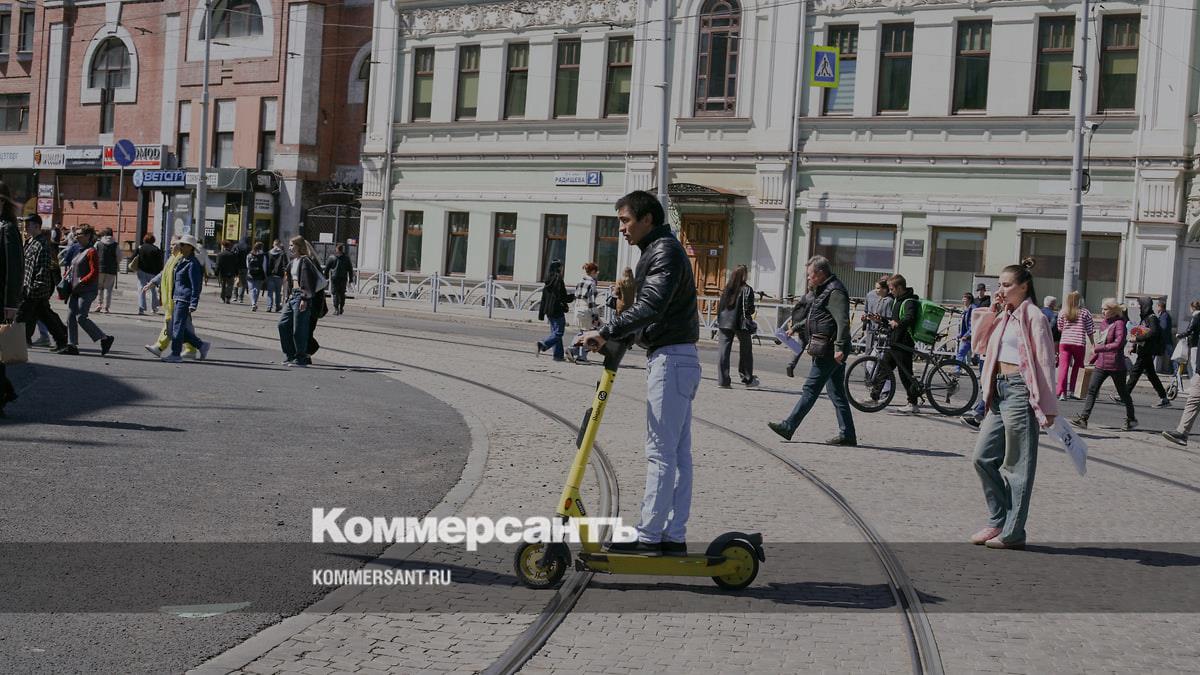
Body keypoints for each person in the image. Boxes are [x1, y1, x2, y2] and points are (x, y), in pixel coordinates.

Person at [575, 190, 700, 557]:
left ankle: (649, 536)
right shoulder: (660, 250)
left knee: (662, 452)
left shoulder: (662, 251)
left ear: (647, 219)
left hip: (672, 359)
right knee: (677, 453)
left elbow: (652, 306)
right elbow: (653, 309)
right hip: (678, 358)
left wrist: (607, 331)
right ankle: (672, 535)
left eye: (626, 220)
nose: (621, 229)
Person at [967, 258, 1057, 549]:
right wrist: (992, 309)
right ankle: (998, 520)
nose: (1001, 290)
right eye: (999, 285)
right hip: (998, 390)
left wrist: (1048, 406)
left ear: (1024, 286)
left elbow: (1045, 362)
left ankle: (1014, 531)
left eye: (1006, 285)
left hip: (1020, 391)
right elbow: (979, 343)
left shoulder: (1034, 317)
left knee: (1018, 464)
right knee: (982, 458)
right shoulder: (1005, 314)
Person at [767, 255, 857, 446]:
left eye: (810, 275)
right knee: (837, 392)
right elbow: (816, 316)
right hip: (828, 347)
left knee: (810, 389)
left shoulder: (835, 292)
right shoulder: (824, 290)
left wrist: (840, 347)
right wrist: (796, 327)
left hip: (830, 348)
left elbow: (842, 321)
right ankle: (848, 434)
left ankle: (788, 426)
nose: (808, 278)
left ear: (820, 273)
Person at [1071, 298, 1137, 431]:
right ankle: (1084, 419)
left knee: (1123, 393)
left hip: (1116, 365)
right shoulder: (1104, 323)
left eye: (1105, 309)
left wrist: (1098, 350)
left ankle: (1131, 419)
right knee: (1092, 390)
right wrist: (1092, 358)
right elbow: (1100, 343)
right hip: (1101, 363)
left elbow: (1118, 344)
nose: (1102, 311)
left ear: (1113, 310)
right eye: (1102, 309)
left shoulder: (1119, 324)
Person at [16, 215, 67, 351]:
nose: (25, 227)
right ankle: (62, 341)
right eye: (25, 224)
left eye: (28, 224)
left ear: (37, 226)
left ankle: (17, 345)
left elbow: (43, 269)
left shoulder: (42, 245)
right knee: (46, 317)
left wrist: (33, 288)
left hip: (35, 290)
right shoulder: (30, 241)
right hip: (29, 287)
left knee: (21, 317)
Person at [142, 237, 199, 359]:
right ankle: (192, 348)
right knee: (179, 325)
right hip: (172, 298)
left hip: (179, 299)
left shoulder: (183, 260)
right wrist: (153, 282)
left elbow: (195, 284)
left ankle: (163, 348)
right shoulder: (172, 258)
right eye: (171, 244)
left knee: (175, 325)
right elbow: (164, 273)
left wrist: (192, 303)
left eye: (174, 244)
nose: (171, 247)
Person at [871, 274, 921, 414]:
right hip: (894, 342)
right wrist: (881, 320)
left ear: (899, 288)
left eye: (892, 289)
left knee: (905, 374)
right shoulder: (897, 300)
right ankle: (874, 397)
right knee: (883, 369)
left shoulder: (910, 301)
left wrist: (898, 323)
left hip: (904, 342)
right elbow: (893, 321)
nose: (890, 291)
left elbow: (909, 318)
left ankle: (913, 404)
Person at [62, 224, 114, 356]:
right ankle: (71, 345)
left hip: (87, 290)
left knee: (81, 317)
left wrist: (81, 281)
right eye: (76, 234)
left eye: (79, 234)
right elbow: (72, 266)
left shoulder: (91, 251)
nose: (76, 236)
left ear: (87, 236)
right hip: (75, 289)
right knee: (70, 316)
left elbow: (94, 272)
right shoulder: (78, 249)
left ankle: (105, 338)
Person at [163, 234, 211, 363]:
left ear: (190, 247)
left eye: (182, 245)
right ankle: (201, 345)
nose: (180, 246)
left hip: (185, 298)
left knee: (177, 327)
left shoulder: (192, 263)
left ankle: (176, 354)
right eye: (180, 244)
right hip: (177, 297)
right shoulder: (182, 260)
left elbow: (196, 285)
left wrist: (193, 303)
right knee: (175, 327)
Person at [278, 236, 324, 367]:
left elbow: (307, 281)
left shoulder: (305, 261)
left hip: (302, 296)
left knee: (299, 329)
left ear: (299, 246)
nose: (290, 248)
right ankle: (290, 354)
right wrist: (286, 295)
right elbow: (289, 280)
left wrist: (304, 298)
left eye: (292, 245)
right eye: (290, 245)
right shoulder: (294, 261)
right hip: (293, 296)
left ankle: (301, 357)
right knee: (283, 324)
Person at [715, 264, 758, 388]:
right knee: (746, 351)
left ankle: (723, 381)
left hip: (724, 323)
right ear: (744, 275)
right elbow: (750, 309)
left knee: (723, 352)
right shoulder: (747, 289)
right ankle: (747, 378)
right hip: (741, 324)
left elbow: (720, 307)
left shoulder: (727, 288)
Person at [1123, 300, 1171, 408]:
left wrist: (1137, 339)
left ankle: (1124, 396)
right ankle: (1164, 398)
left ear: (1146, 306)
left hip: (1147, 351)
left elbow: (1153, 332)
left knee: (1135, 373)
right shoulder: (1145, 318)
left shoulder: (1152, 318)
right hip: (1144, 350)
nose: (1139, 307)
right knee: (1152, 376)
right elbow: (1141, 331)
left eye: (1141, 305)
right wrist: (1134, 346)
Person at [0, 183, 22, 416]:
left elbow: (14, 269)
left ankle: (4, 394)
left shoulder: (7, 228)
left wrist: (10, 304)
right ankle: (6, 391)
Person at [1055, 291, 1094, 400]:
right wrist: (1093, 344)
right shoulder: (1085, 312)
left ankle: (1062, 392)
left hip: (1065, 342)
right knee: (1078, 366)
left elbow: (1060, 328)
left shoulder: (1063, 312)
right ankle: (1073, 390)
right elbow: (1090, 330)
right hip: (1079, 343)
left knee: (1063, 367)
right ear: (1079, 300)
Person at [535, 260, 572, 362]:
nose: (563, 270)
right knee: (558, 333)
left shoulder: (547, 280)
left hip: (548, 310)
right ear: (559, 268)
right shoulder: (558, 280)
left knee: (554, 333)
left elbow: (544, 298)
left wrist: (541, 313)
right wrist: (573, 297)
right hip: (557, 309)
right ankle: (543, 343)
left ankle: (558, 356)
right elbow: (562, 297)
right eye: (562, 267)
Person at [568, 262, 601, 364]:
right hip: (586, 309)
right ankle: (581, 356)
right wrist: (595, 316)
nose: (597, 273)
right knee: (591, 334)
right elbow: (591, 302)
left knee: (583, 332)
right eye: (596, 271)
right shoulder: (591, 283)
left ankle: (572, 349)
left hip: (577, 309)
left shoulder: (580, 281)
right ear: (592, 272)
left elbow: (575, 296)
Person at [134, 234, 164, 315]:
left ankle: (141, 308)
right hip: (153, 272)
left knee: (141, 289)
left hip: (141, 271)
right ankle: (154, 308)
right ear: (153, 240)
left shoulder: (140, 248)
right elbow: (160, 263)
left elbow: (133, 257)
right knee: (153, 290)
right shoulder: (156, 249)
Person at [92, 227, 119, 313]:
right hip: (111, 269)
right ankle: (106, 307)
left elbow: (93, 254)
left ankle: (99, 304)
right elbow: (120, 256)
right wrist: (116, 262)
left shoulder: (98, 243)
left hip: (100, 268)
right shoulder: (115, 244)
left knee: (100, 287)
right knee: (109, 289)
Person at [784, 292, 811, 378]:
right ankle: (815, 372)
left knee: (799, 347)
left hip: (801, 327)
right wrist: (794, 327)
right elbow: (809, 318)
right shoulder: (817, 298)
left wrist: (793, 325)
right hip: (811, 328)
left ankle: (790, 365)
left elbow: (796, 311)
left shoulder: (804, 297)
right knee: (817, 350)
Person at [323, 243, 355, 316]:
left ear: (336, 249)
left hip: (335, 278)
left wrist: (326, 277)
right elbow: (350, 269)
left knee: (335, 293)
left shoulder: (332, 257)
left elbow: (327, 268)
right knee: (342, 293)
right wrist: (350, 279)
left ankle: (336, 309)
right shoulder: (346, 258)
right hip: (343, 278)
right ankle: (341, 308)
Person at [1177, 300, 1200, 378]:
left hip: (1194, 343)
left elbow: (1189, 330)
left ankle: (1195, 382)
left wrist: (1180, 335)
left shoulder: (1195, 317)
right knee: (1193, 363)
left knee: (1193, 363)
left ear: (1193, 308)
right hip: (1196, 342)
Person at [266, 239, 287, 312]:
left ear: (273, 244)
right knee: (278, 292)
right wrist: (285, 275)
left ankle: (269, 306)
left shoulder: (269, 253)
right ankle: (277, 306)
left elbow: (266, 264)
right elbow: (285, 265)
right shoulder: (282, 254)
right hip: (279, 275)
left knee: (270, 292)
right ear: (280, 244)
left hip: (270, 275)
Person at [955, 292, 976, 370]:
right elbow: (964, 325)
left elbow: (973, 325)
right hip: (968, 336)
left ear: (969, 300)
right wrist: (961, 334)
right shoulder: (967, 309)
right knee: (962, 353)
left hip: (971, 336)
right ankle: (958, 370)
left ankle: (957, 370)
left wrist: (966, 335)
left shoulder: (973, 309)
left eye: (965, 298)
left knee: (961, 353)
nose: (963, 300)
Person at [246, 241, 268, 311]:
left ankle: (253, 304)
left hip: (250, 274)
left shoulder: (249, 255)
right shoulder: (263, 256)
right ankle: (254, 302)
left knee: (251, 290)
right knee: (257, 289)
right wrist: (265, 275)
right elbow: (264, 266)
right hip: (259, 274)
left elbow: (247, 266)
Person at [1155, 299, 1173, 374]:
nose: (1156, 308)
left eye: (1157, 307)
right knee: (1168, 355)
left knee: (1170, 356)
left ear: (1160, 307)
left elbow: (1163, 327)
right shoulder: (1164, 314)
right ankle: (1169, 370)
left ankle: (1173, 370)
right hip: (1166, 339)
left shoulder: (1164, 315)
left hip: (1165, 340)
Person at [233, 236, 251, 303]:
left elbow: (233, 255)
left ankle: (235, 296)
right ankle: (240, 298)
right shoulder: (248, 247)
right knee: (243, 283)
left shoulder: (236, 246)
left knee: (236, 281)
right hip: (244, 267)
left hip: (236, 267)